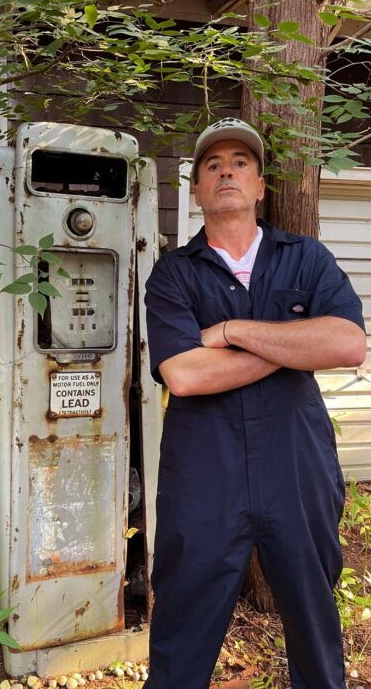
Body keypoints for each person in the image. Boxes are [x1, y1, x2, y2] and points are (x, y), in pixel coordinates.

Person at [144, 118, 367, 689]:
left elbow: (346, 343)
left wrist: (234, 331)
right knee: (183, 619)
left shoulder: (306, 258)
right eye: (212, 165)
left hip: (297, 463)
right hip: (203, 469)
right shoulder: (173, 274)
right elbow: (185, 375)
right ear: (196, 190)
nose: (226, 171)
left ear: (260, 185)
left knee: (315, 618)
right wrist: (293, 344)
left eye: (240, 162)